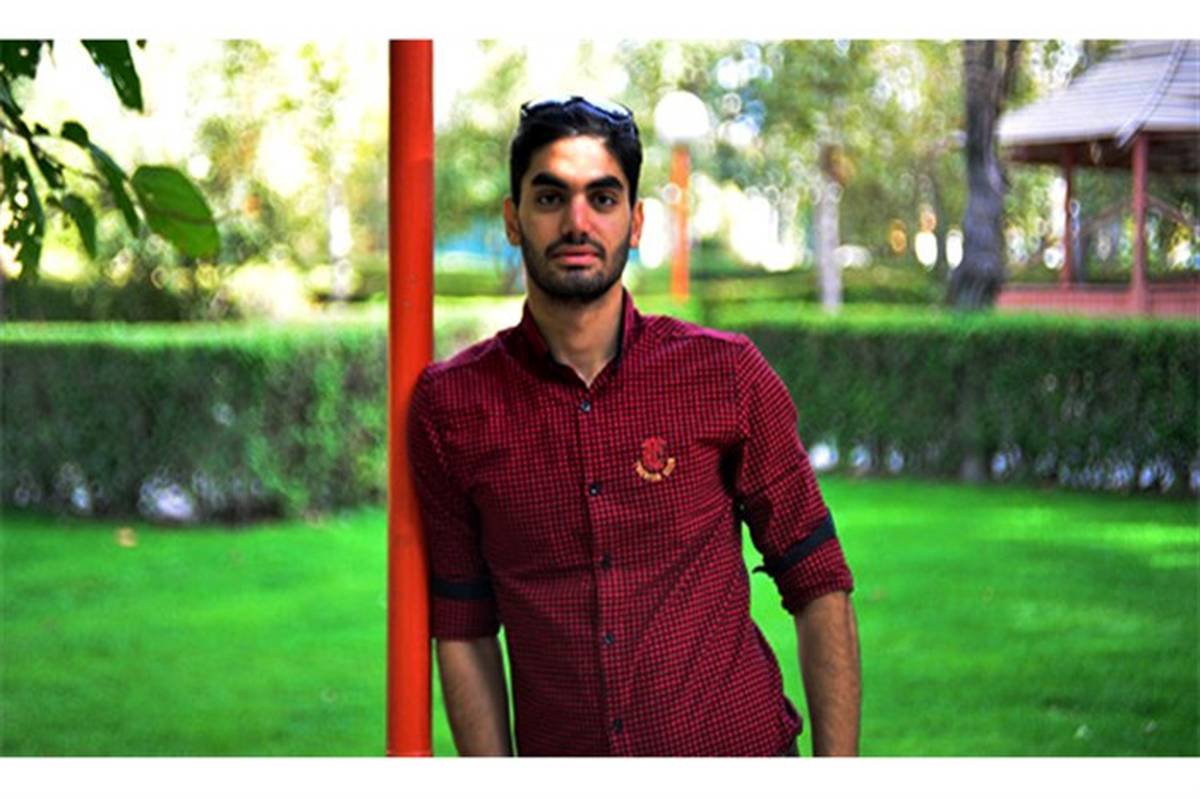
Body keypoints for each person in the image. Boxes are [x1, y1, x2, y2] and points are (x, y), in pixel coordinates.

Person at [407, 95, 860, 757]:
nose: (577, 222)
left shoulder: (725, 375)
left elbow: (818, 581)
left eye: (603, 198)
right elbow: (464, 629)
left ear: (637, 221)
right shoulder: (452, 408)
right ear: (512, 219)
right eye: (550, 197)